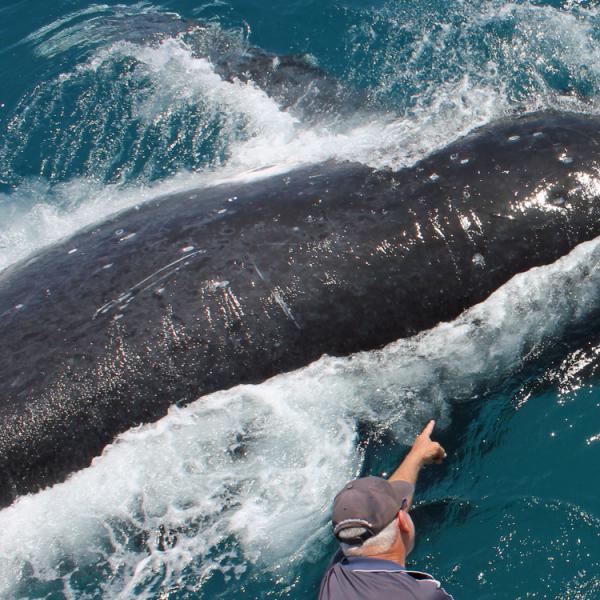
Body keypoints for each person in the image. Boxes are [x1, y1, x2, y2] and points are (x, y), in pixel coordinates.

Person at [319, 420, 453, 599]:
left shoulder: (335, 577)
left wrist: (416, 457)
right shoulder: (423, 595)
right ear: (403, 521)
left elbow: (380, 507)